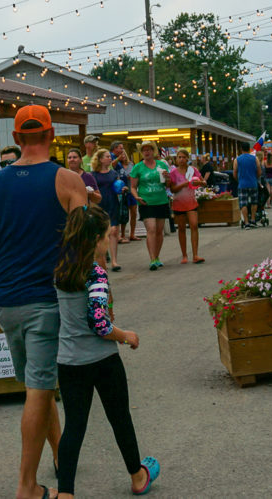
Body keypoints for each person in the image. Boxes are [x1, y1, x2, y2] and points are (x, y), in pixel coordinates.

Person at [0, 104, 88, 499]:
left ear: (17, 138)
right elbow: (85, 248)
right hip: (47, 299)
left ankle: (60, 457)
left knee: (38, 384)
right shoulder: (68, 180)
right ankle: (25, 485)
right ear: (52, 136)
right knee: (39, 389)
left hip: (8, 301)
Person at [53, 205, 160, 498]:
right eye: (106, 233)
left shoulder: (62, 267)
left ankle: (65, 492)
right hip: (102, 360)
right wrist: (126, 336)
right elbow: (99, 323)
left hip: (69, 361)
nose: (109, 236)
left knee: (74, 426)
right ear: (95, 238)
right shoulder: (95, 274)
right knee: (119, 418)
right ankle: (138, 476)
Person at [130, 141, 171, 270]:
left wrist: (168, 178)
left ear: (154, 151)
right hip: (146, 202)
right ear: (141, 152)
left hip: (161, 200)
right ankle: (152, 258)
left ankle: (157, 257)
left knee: (159, 231)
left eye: (149, 150)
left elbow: (167, 185)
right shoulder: (138, 167)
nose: (147, 152)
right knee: (151, 229)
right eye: (144, 150)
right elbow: (133, 187)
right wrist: (136, 197)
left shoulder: (161, 165)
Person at [168, 149, 204, 264]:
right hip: (179, 203)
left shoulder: (193, 170)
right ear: (176, 159)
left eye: (184, 157)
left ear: (187, 159)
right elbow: (172, 189)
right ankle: (184, 255)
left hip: (191, 203)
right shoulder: (173, 173)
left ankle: (195, 255)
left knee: (194, 225)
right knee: (182, 229)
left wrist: (199, 183)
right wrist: (184, 184)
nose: (181, 159)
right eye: (179, 157)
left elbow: (204, 182)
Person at [91, 148, 122, 271]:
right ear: (100, 159)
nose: (110, 158)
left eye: (110, 156)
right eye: (107, 156)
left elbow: (118, 186)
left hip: (113, 203)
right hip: (99, 205)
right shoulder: (93, 174)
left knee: (114, 231)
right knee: (101, 234)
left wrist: (123, 188)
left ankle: (114, 261)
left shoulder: (114, 173)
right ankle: (101, 260)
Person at [109, 141, 133, 245]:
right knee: (117, 213)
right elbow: (110, 166)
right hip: (115, 190)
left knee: (122, 213)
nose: (122, 150)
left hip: (122, 190)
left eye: (123, 148)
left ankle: (120, 235)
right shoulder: (111, 156)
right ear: (114, 148)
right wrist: (118, 159)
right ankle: (116, 236)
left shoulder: (119, 160)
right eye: (120, 148)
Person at [233, 142, 261, 230]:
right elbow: (259, 171)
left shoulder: (237, 160)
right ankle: (253, 220)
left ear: (241, 149)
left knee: (243, 203)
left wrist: (239, 180)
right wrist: (255, 178)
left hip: (242, 184)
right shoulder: (255, 158)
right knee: (254, 202)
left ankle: (246, 222)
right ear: (249, 149)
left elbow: (234, 172)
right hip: (253, 183)